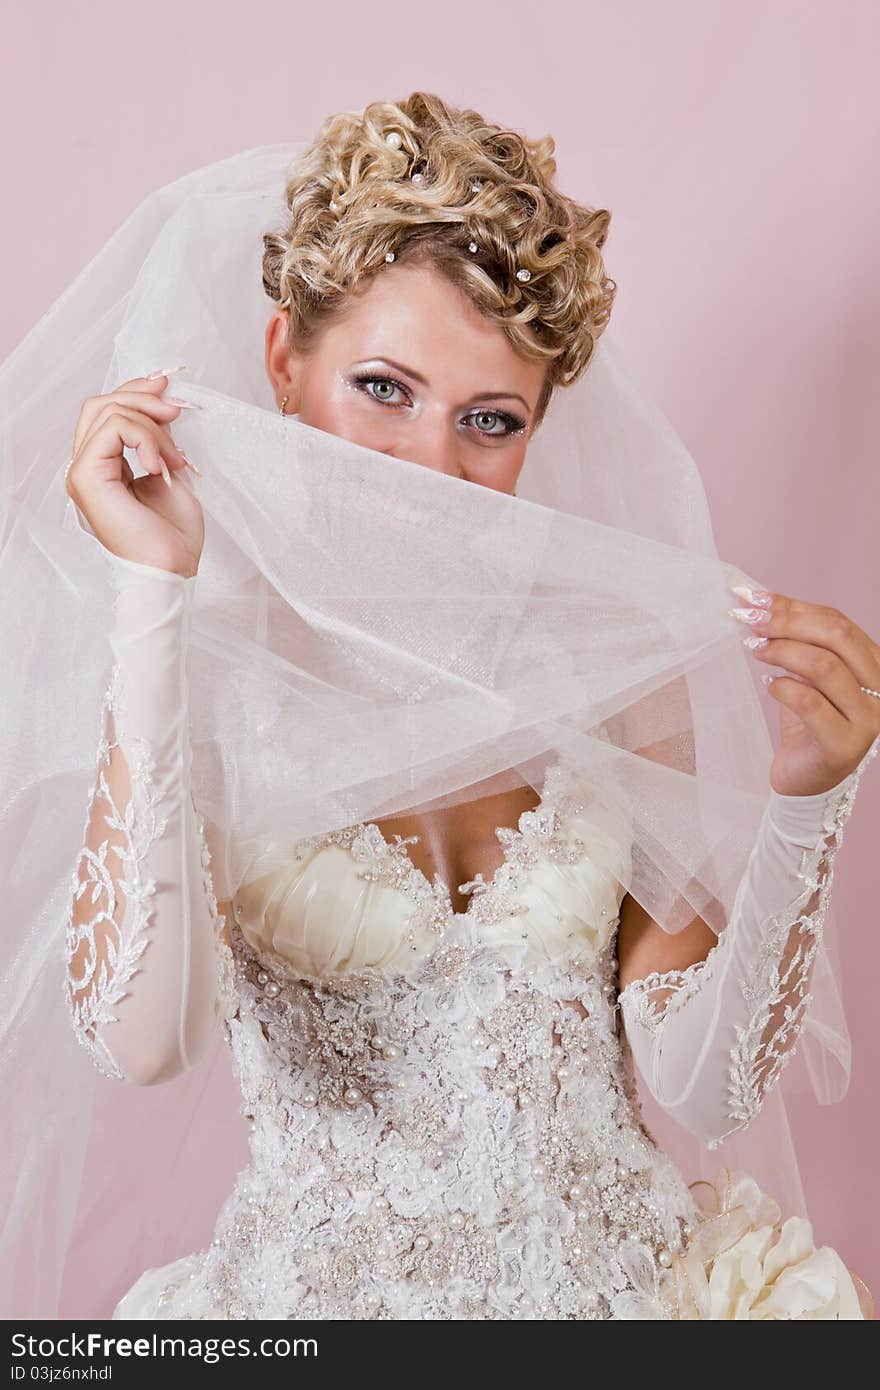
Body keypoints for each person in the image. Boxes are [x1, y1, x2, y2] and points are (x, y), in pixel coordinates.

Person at [15, 92, 880, 1319]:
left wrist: (808, 801)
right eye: (382, 387)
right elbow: (140, 1040)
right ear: (283, 365)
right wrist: (153, 598)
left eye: (489, 420)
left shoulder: (613, 665)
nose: (433, 467)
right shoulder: (207, 675)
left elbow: (705, 1089)